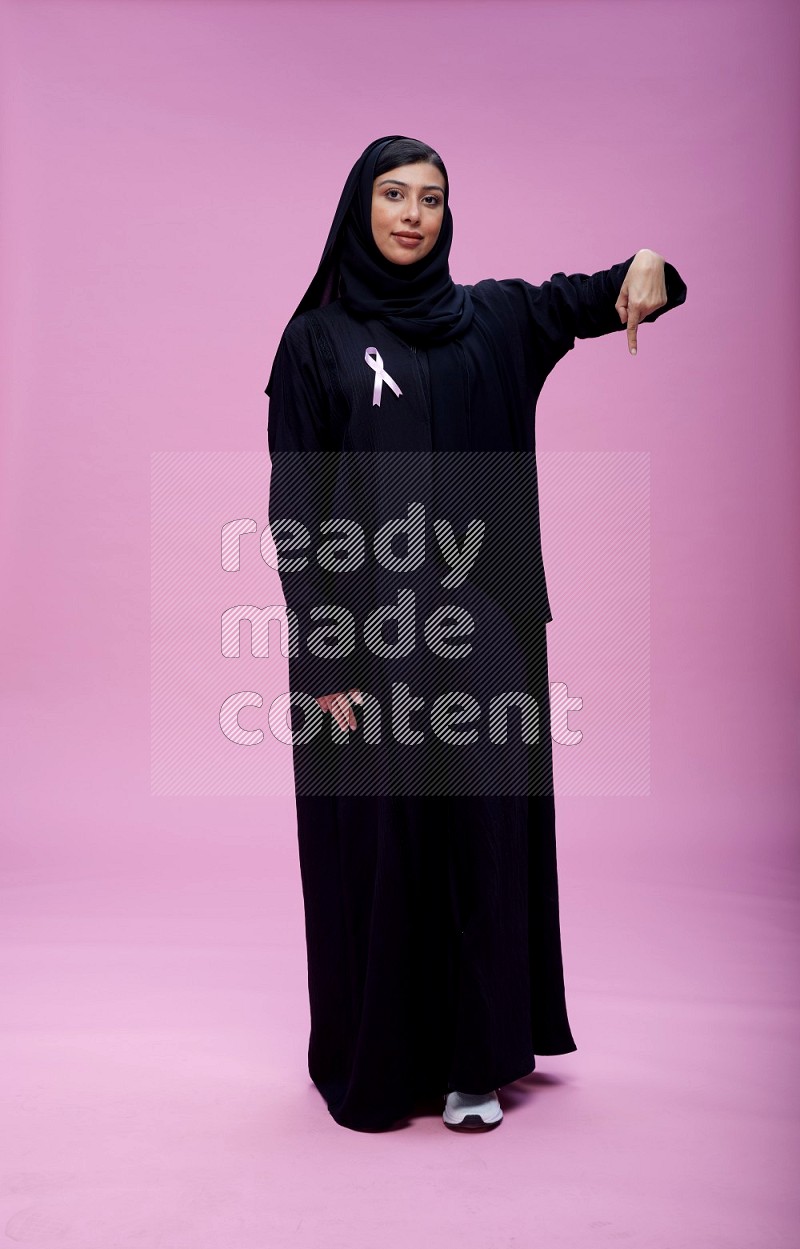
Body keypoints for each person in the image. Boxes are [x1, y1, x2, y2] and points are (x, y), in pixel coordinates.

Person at [264, 135, 687, 1133]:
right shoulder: (315, 344)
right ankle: (379, 1060)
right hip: (364, 644)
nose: (412, 214)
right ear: (357, 208)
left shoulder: (492, 320)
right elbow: (297, 516)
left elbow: (614, 292)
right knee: (378, 848)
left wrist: (651, 272)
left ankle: (473, 1063)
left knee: (479, 842)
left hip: (486, 635)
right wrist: (325, 661)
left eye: (431, 198)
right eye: (393, 194)